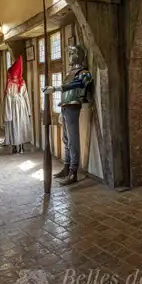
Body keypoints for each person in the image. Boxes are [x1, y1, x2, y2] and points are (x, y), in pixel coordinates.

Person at [42, 44, 92, 185]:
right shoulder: (70, 72)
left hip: (73, 106)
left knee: (73, 140)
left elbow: (78, 84)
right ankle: (66, 167)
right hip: (65, 106)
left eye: (71, 54)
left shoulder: (84, 72)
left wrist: (56, 88)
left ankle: (73, 172)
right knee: (65, 139)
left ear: (78, 55)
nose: (69, 56)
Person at [3, 55, 33, 153]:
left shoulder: (11, 83)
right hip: (20, 106)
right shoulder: (21, 82)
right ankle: (19, 146)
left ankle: (18, 146)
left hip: (15, 106)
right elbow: (25, 96)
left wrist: (7, 114)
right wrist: (28, 110)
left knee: (16, 125)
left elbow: (9, 98)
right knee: (18, 124)